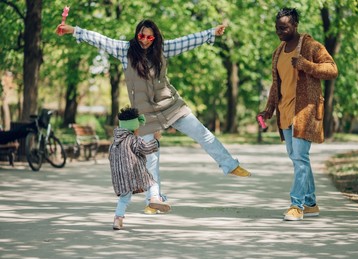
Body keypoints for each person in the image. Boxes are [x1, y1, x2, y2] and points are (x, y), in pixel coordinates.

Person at [56, 19, 251, 215]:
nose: (145, 41)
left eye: (150, 37)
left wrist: (211, 33)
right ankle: (154, 199)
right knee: (151, 157)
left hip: (170, 105)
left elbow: (188, 40)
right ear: (137, 34)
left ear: (155, 37)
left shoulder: (162, 50)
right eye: (142, 36)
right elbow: (100, 39)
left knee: (202, 132)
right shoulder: (125, 51)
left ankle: (230, 165)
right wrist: (73, 30)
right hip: (145, 113)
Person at [258, 8, 338, 221]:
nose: (280, 31)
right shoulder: (278, 52)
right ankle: (311, 203)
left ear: (295, 25)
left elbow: (332, 69)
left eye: (284, 27)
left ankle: (297, 205)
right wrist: (269, 108)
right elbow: (277, 85)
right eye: (277, 28)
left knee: (300, 158)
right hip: (285, 112)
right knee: (297, 158)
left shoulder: (311, 46)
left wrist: (306, 65)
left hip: (305, 111)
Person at [109, 105, 168, 230]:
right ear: (133, 127)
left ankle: (117, 220)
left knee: (124, 199)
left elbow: (111, 157)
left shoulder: (115, 142)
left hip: (120, 177)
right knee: (152, 184)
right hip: (135, 172)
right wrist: (156, 140)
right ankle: (154, 199)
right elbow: (145, 148)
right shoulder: (133, 139)